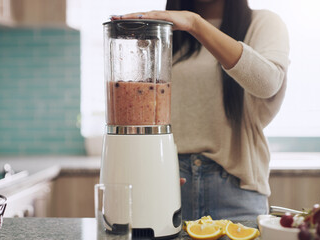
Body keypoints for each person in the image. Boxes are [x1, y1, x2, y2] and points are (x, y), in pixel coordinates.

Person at [112, 0, 290, 221]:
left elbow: (268, 84)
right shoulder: (163, 32)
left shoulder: (262, 23)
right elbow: (143, 109)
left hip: (236, 190)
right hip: (169, 187)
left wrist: (195, 23)